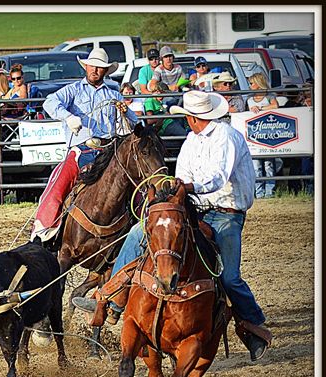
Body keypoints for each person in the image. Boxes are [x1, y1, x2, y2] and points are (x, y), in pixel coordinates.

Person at [73, 90, 272, 362]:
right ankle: (112, 296)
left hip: (226, 213)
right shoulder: (192, 140)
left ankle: (253, 326)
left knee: (228, 276)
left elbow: (218, 177)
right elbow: (182, 174)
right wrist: (172, 191)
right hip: (194, 207)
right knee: (138, 233)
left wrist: (187, 187)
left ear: (192, 117)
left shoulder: (225, 137)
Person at [30, 48, 138, 242]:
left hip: (109, 149)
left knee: (134, 180)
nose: (95, 70)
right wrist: (68, 116)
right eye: (92, 66)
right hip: (83, 148)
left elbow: (135, 122)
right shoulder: (73, 90)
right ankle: (43, 226)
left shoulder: (114, 94)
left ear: (106, 71)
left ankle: (143, 221)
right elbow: (50, 102)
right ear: (86, 67)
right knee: (60, 179)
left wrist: (126, 113)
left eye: (100, 67)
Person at [247, 72, 279, 199]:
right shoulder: (249, 98)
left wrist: (260, 109)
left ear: (258, 83)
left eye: (252, 83)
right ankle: (259, 193)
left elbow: (275, 105)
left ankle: (270, 191)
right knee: (256, 166)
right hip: (254, 135)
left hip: (268, 135)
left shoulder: (269, 95)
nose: (250, 86)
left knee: (268, 165)